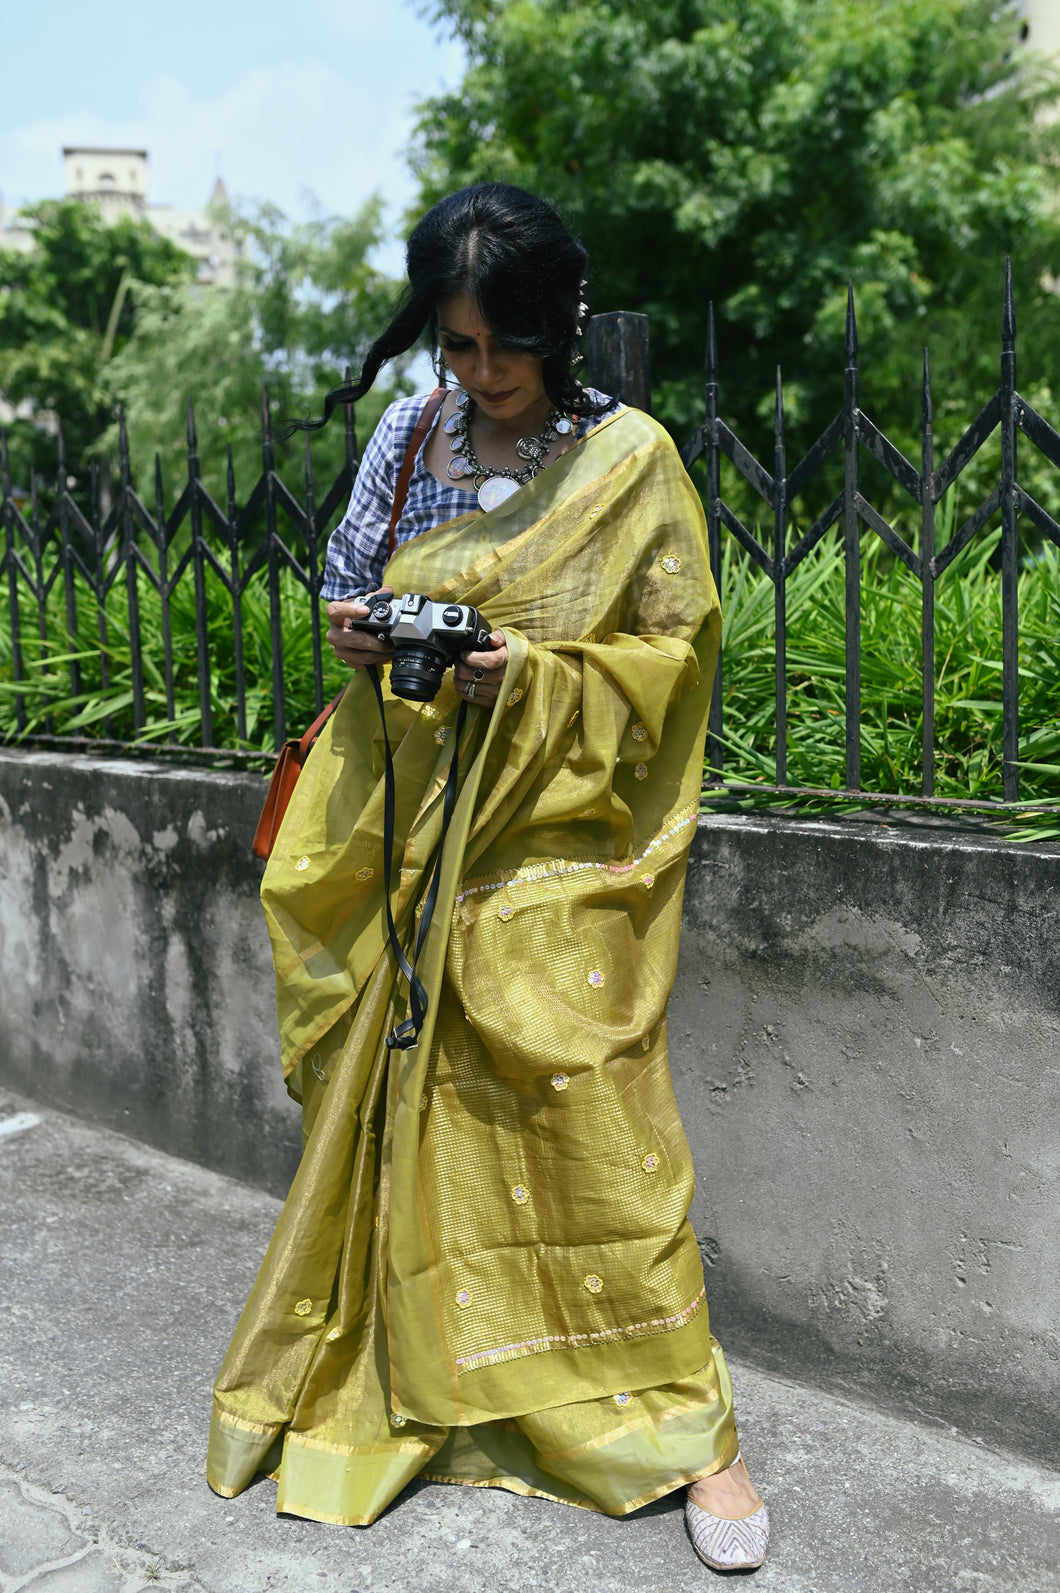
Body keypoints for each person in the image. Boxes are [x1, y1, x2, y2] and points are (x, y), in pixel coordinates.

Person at [207, 183, 769, 1574]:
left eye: (501, 344)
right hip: (408, 839)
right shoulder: (410, 437)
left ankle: (696, 1433)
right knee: (413, 1118)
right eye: (455, 345)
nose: (480, 374)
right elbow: (347, 586)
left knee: (604, 1118)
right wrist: (358, 636)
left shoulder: (628, 458)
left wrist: (537, 682)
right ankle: (425, 1378)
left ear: (558, 323)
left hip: (563, 851)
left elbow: (679, 655)